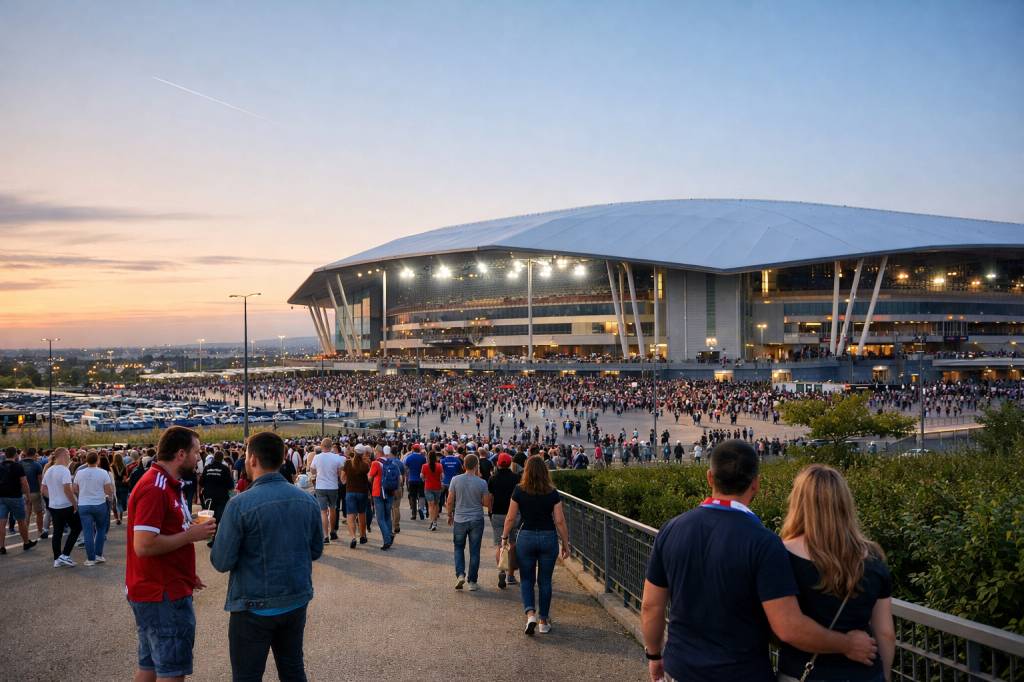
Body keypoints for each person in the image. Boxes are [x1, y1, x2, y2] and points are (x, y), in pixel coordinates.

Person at [639, 440, 877, 682]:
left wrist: (654, 656)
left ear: (710, 478)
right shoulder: (764, 543)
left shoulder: (671, 530)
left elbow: (651, 606)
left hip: (681, 668)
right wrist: (847, 644)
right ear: (756, 484)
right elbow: (788, 627)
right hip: (743, 671)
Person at [210, 432, 323, 682]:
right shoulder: (307, 500)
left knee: (247, 676)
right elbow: (316, 550)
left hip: (253, 605)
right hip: (295, 598)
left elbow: (221, 561)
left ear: (251, 459)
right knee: (293, 670)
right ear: (283, 459)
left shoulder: (240, 505)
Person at [777, 465, 896, 682]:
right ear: (845, 504)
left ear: (798, 503)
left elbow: (780, 627)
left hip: (801, 672)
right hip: (863, 674)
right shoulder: (873, 557)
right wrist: (885, 675)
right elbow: (885, 633)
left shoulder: (781, 554)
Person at [126, 426, 217, 682]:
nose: (199, 458)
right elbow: (143, 545)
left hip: (161, 587)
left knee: (150, 666)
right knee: (171, 672)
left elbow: (163, 535)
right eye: (196, 453)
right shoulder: (155, 487)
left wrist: (186, 572)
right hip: (162, 593)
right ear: (180, 454)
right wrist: (191, 536)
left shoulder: (166, 483)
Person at [501, 455, 569, 635]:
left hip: (526, 536)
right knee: (545, 581)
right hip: (548, 536)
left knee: (527, 578)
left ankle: (530, 613)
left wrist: (504, 538)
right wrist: (566, 544)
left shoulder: (519, 490)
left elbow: (510, 517)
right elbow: (560, 521)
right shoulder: (552, 492)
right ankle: (543, 620)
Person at [446, 453, 491, 591]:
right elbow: (486, 503)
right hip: (476, 518)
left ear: (464, 465)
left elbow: (450, 500)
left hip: (460, 518)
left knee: (458, 547)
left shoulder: (455, 480)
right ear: (477, 466)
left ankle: (460, 574)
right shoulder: (482, 482)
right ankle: (472, 581)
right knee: (475, 550)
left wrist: (449, 514)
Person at [73, 450, 114, 566]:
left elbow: (74, 489)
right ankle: (98, 555)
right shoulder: (103, 473)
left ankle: (90, 559)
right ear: (98, 460)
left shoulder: (80, 473)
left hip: (84, 504)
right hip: (99, 504)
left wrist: (83, 493)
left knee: (87, 531)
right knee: (101, 529)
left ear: (86, 460)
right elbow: (109, 490)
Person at [41, 447, 80, 566]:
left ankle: (57, 559)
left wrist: (53, 497)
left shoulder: (49, 470)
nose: (69, 456)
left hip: (53, 506)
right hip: (66, 505)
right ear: (62, 455)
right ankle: (65, 554)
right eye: (68, 454)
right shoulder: (64, 470)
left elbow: (43, 490)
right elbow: (67, 489)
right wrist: (75, 503)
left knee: (57, 532)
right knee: (77, 527)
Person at [488, 452, 520, 589]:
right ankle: (511, 575)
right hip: (512, 513)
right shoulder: (516, 478)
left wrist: (490, 511)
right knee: (512, 544)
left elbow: (490, 498)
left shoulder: (493, 479)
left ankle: (501, 569)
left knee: (500, 544)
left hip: (497, 513)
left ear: (498, 464)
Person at [0, 446, 37, 554]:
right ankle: (26, 543)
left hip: (2, 497)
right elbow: (24, 482)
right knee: (21, 521)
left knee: (2, 523)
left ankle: (2, 546)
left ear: (5, 454)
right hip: (15, 497)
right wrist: (28, 497)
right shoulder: (18, 466)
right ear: (15, 455)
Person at [366, 445, 400, 550]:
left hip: (378, 492)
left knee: (380, 518)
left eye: (375, 452)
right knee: (387, 516)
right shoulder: (393, 463)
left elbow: (370, 478)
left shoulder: (375, 463)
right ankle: (389, 534)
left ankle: (387, 539)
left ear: (379, 452)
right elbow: (398, 478)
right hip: (390, 491)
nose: (374, 453)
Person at [310, 443, 344, 544]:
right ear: (330, 447)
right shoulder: (336, 457)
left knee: (323, 512)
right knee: (332, 509)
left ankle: (325, 536)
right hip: (333, 486)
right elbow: (340, 470)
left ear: (322, 446)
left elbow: (312, 471)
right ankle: (332, 531)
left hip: (321, 486)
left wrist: (318, 472)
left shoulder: (317, 457)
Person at [199, 452, 234, 547]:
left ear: (214, 458)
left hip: (209, 497)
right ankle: (216, 540)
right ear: (222, 459)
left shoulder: (207, 468)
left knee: (210, 517)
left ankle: (210, 538)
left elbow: (201, 482)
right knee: (219, 518)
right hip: (222, 497)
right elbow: (230, 485)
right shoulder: (225, 469)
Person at [341, 446, 370, 548]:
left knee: (350, 516)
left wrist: (346, 482)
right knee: (362, 514)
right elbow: (369, 478)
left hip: (350, 492)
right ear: (363, 453)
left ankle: (353, 537)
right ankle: (362, 536)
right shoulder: (365, 465)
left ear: (354, 451)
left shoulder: (348, 463)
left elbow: (342, 478)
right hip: (362, 492)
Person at [421, 446, 444, 531]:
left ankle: (432, 521)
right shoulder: (439, 466)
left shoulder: (424, 466)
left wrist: (424, 478)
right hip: (437, 487)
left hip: (428, 487)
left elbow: (422, 477)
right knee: (436, 504)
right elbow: (442, 477)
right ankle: (435, 521)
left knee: (430, 505)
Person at [403, 443, 426, 521]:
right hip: (420, 479)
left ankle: (413, 514)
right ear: (419, 449)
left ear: (412, 449)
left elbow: (405, 467)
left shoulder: (409, 458)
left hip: (411, 479)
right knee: (421, 495)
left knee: (412, 496)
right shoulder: (423, 458)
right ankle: (421, 508)